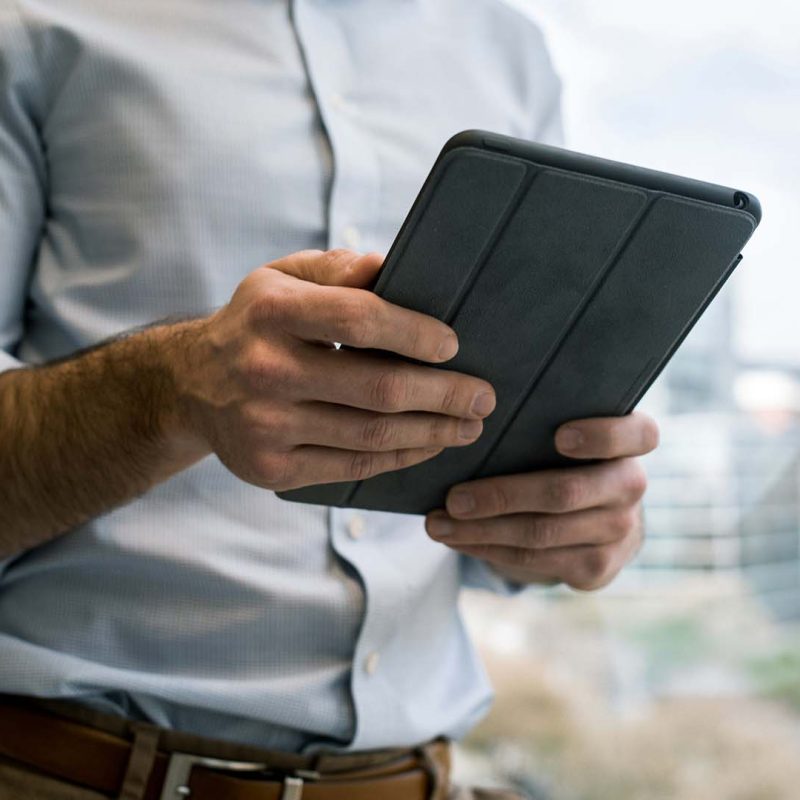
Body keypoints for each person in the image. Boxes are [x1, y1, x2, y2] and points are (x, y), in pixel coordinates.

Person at [0, 1, 659, 798]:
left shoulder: (509, 48)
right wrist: (174, 390)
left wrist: (576, 511)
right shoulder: (33, 23)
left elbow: (512, 447)